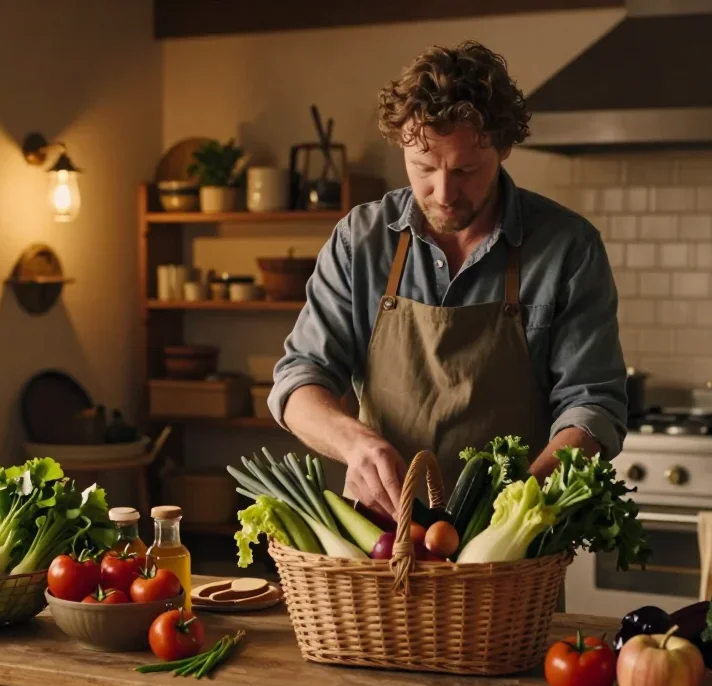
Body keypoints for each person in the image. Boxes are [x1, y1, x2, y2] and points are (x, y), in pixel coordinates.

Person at [268, 41, 627, 517]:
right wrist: (355, 444)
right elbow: (299, 380)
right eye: (423, 168)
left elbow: (593, 405)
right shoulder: (361, 239)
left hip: (512, 547)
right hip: (384, 537)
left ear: (503, 148)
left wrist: (516, 512)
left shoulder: (567, 248)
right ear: (401, 147)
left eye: (465, 171)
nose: (442, 193)